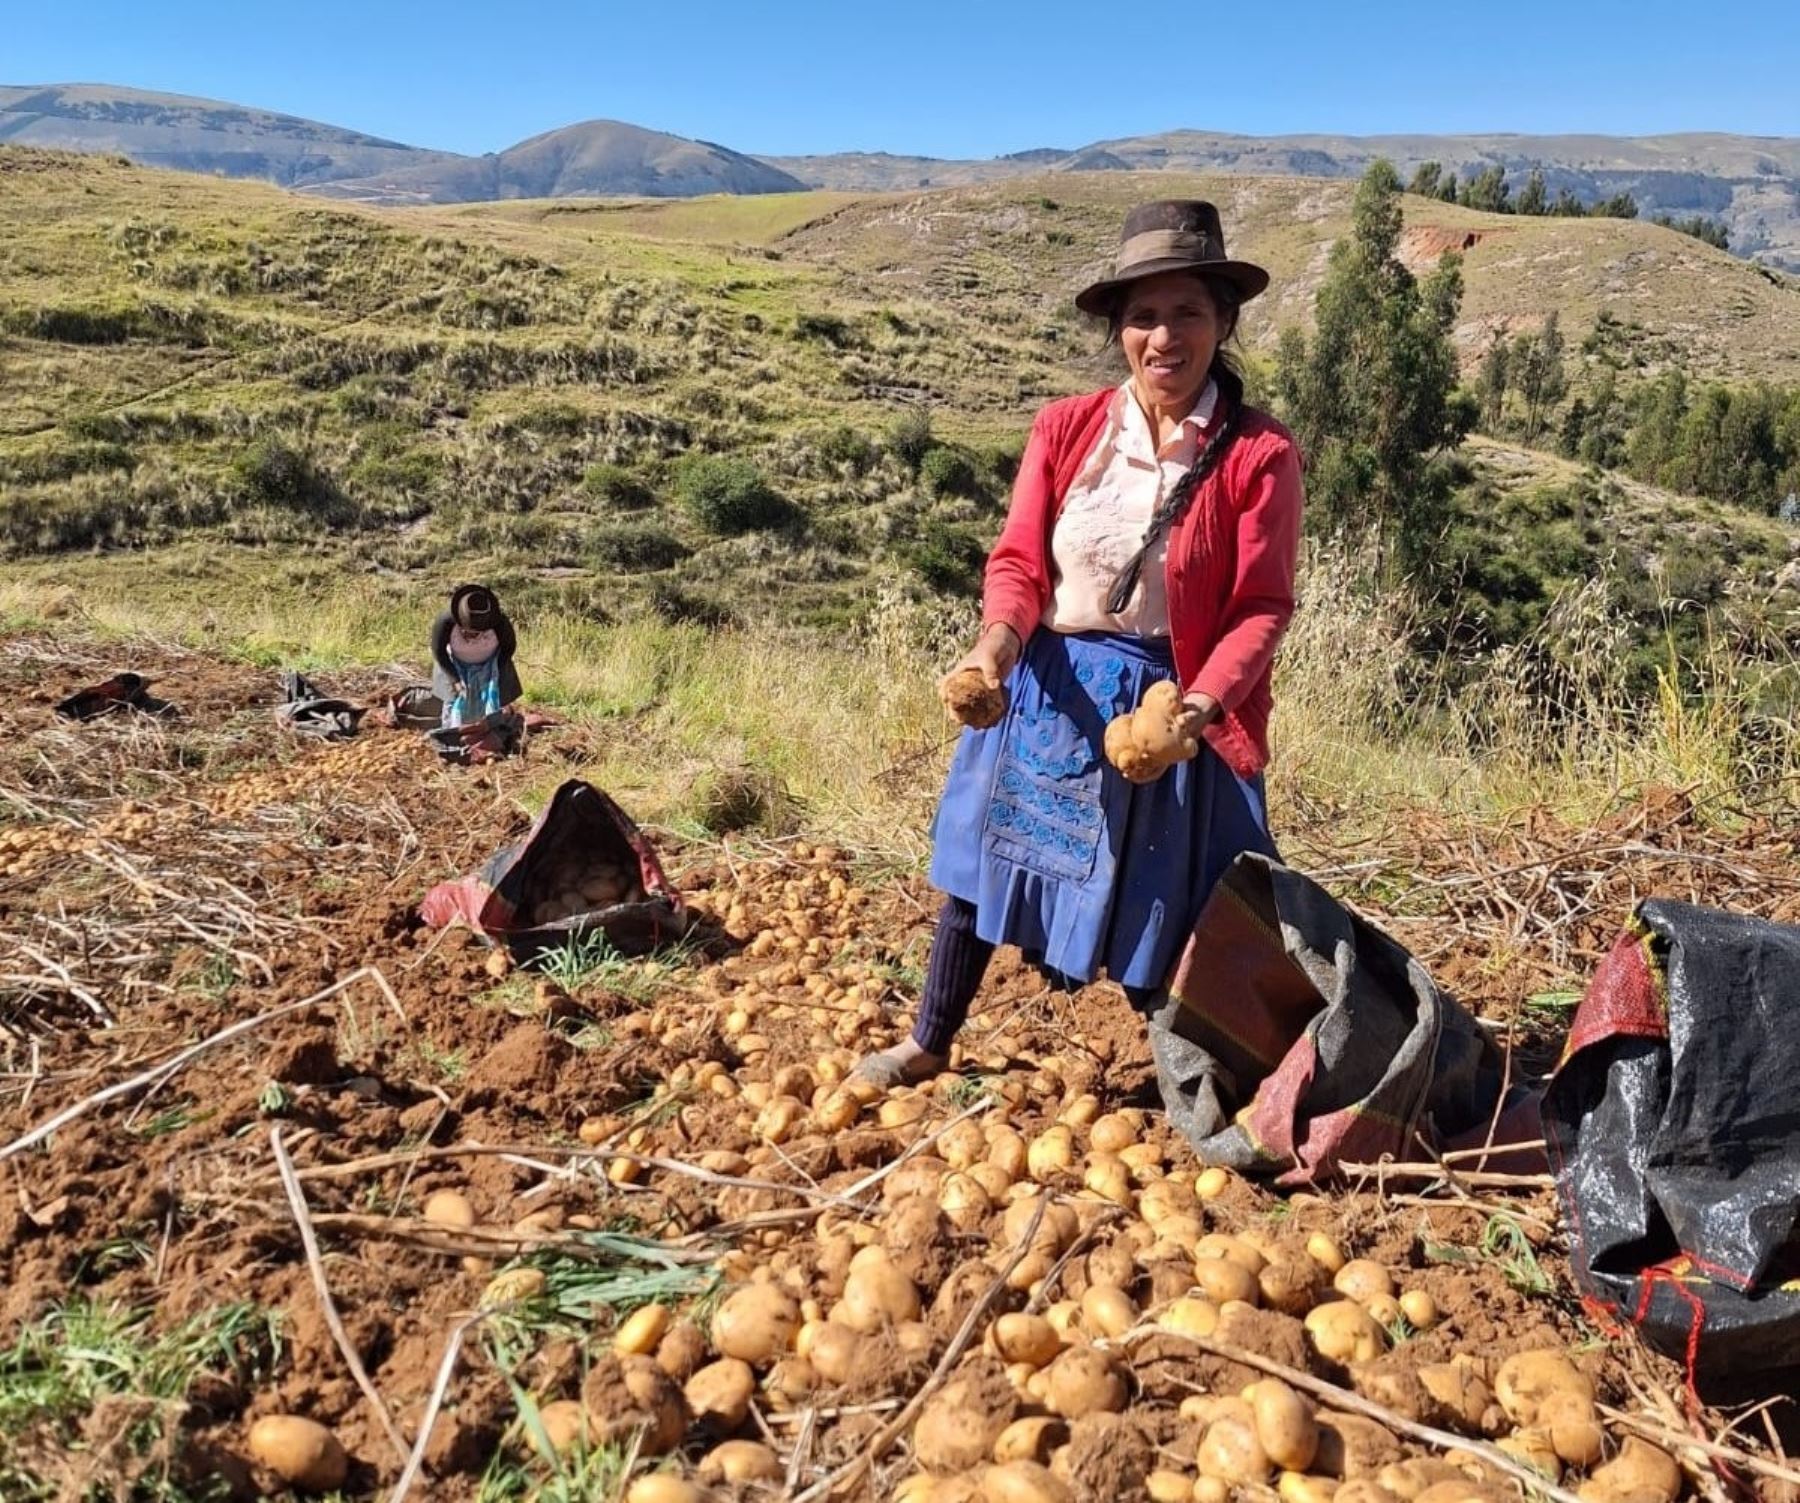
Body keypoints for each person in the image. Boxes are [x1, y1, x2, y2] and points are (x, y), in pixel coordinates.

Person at [855, 200, 1305, 1087]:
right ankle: (931, 1038)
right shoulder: (1066, 429)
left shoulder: (1259, 454)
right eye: (1142, 315)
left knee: (1166, 900)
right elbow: (1021, 561)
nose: (1163, 336)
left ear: (1224, 322)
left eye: (1187, 313)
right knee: (987, 865)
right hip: (1052, 685)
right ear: (1117, 330)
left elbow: (1260, 605)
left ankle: (1219, 1084)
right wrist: (993, 651)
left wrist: (1198, 710)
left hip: (1166, 706)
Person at [429, 584, 522, 729]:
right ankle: (452, 733)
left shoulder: (499, 622)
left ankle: (494, 730)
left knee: (493, 700)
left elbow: (509, 647)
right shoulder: (446, 621)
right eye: (468, 631)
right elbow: (438, 651)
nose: (471, 636)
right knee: (454, 700)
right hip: (454, 664)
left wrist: (495, 671)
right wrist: (455, 679)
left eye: (476, 632)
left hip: (490, 663)